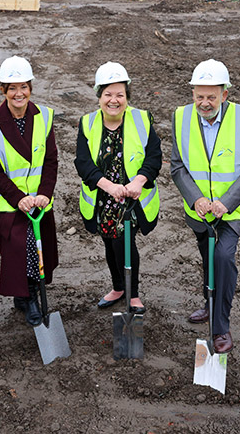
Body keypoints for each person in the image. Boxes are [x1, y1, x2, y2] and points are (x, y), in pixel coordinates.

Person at [170, 59, 240, 354]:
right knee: (207, 257)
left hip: (233, 210)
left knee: (223, 257)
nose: (204, 103)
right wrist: (195, 198)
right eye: (199, 96)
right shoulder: (181, 117)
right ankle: (209, 303)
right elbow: (177, 166)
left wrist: (226, 202)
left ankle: (221, 327)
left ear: (225, 94)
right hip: (199, 210)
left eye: (211, 96)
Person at [74, 62, 161, 314]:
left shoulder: (142, 119)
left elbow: (154, 156)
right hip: (103, 197)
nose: (114, 100)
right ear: (99, 96)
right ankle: (118, 287)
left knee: (124, 242)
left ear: (127, 97)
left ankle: (132, 294)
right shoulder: (88, 123)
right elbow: (83, 162)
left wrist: (139, 181)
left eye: (120, 94)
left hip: (132, 199)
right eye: (108, 94)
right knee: (109, 243)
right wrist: (108, 186)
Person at [0, 56, 59, 326]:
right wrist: (18, 199)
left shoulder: (45, 117)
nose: (18, 94)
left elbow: (50, 162)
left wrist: (45, 194)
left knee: (40, 249)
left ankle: (30, 290)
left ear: (31, 88)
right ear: (3, 90)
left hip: (39, 200)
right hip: (8, 202)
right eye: (12, 88)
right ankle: (27, 299)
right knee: (21, 246)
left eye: (23, 87)